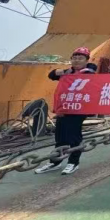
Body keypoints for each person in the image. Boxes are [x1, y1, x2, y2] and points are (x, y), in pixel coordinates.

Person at [34, 47, 96, 175]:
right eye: (75, 58)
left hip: (78, 110)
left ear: (86, 61)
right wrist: (63, 71)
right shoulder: (67, 73)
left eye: (80, 58)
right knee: (60, 136)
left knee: (74, 136)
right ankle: (55, 162)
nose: (77, 60)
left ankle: (73, 163)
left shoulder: (89, 74)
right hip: (63, 108)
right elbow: (51, 75)